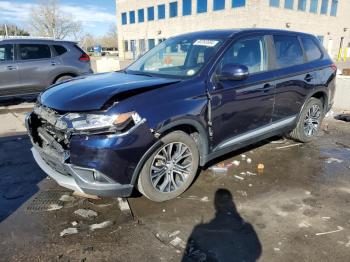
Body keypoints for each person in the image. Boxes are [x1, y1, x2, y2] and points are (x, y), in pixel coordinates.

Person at [182, 188, 262, 262]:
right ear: (231, 204)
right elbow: (256, 252)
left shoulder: (199, 231)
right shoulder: (246, 228)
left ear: (216, 205)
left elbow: (188, 258)